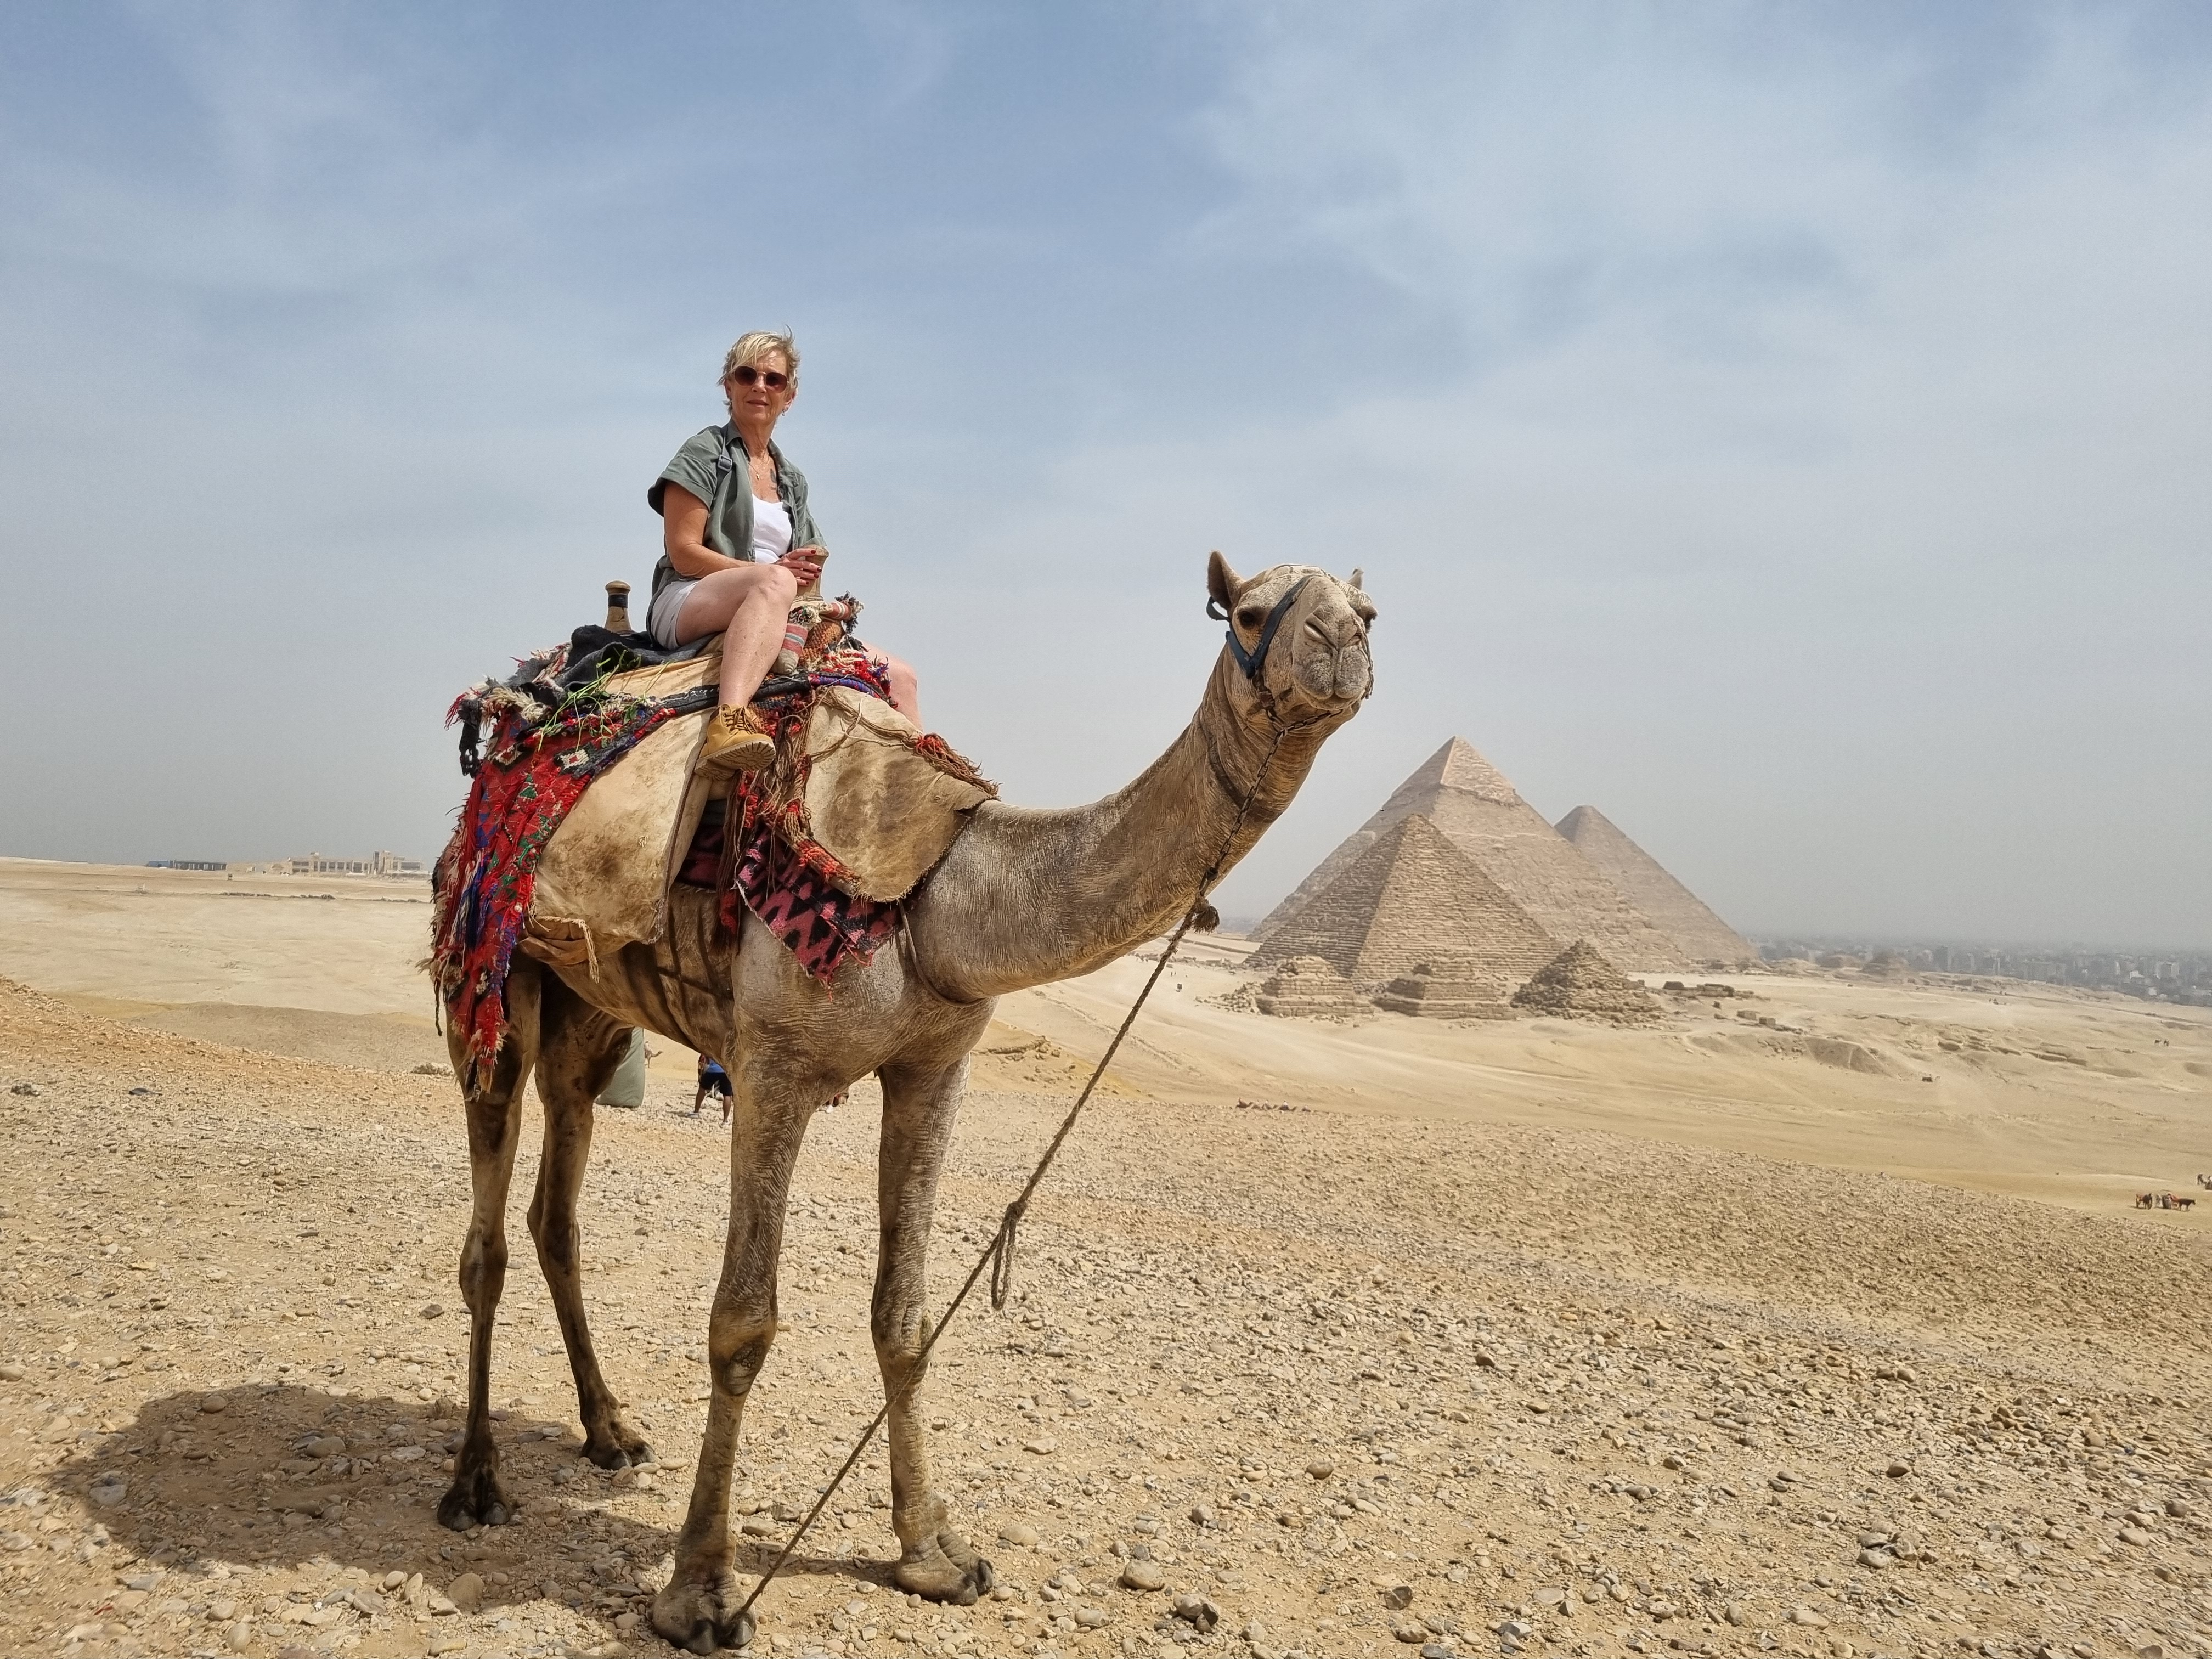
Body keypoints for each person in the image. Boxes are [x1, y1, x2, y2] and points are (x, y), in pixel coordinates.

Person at [645, 331, 919, 778]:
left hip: (778, 603)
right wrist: (770, 574)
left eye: (774, 380)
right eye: (747, 375)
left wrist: (805, 580)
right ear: (728, 386)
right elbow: (684, 553)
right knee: (776, 583)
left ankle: (922, 783)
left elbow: (808, 567)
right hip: (692, 597)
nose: (760, 386)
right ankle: (728, 721)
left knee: (901, 675)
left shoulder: (791, 478)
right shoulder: (705, 452)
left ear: (789, 397)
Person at [693, 1053, 734, 1124]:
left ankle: (696, 1112)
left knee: (702, 1089)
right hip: (725, 1071)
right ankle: (725, 1120)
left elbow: (706, 1056)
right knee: (727, 1095)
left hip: (711, 1070)